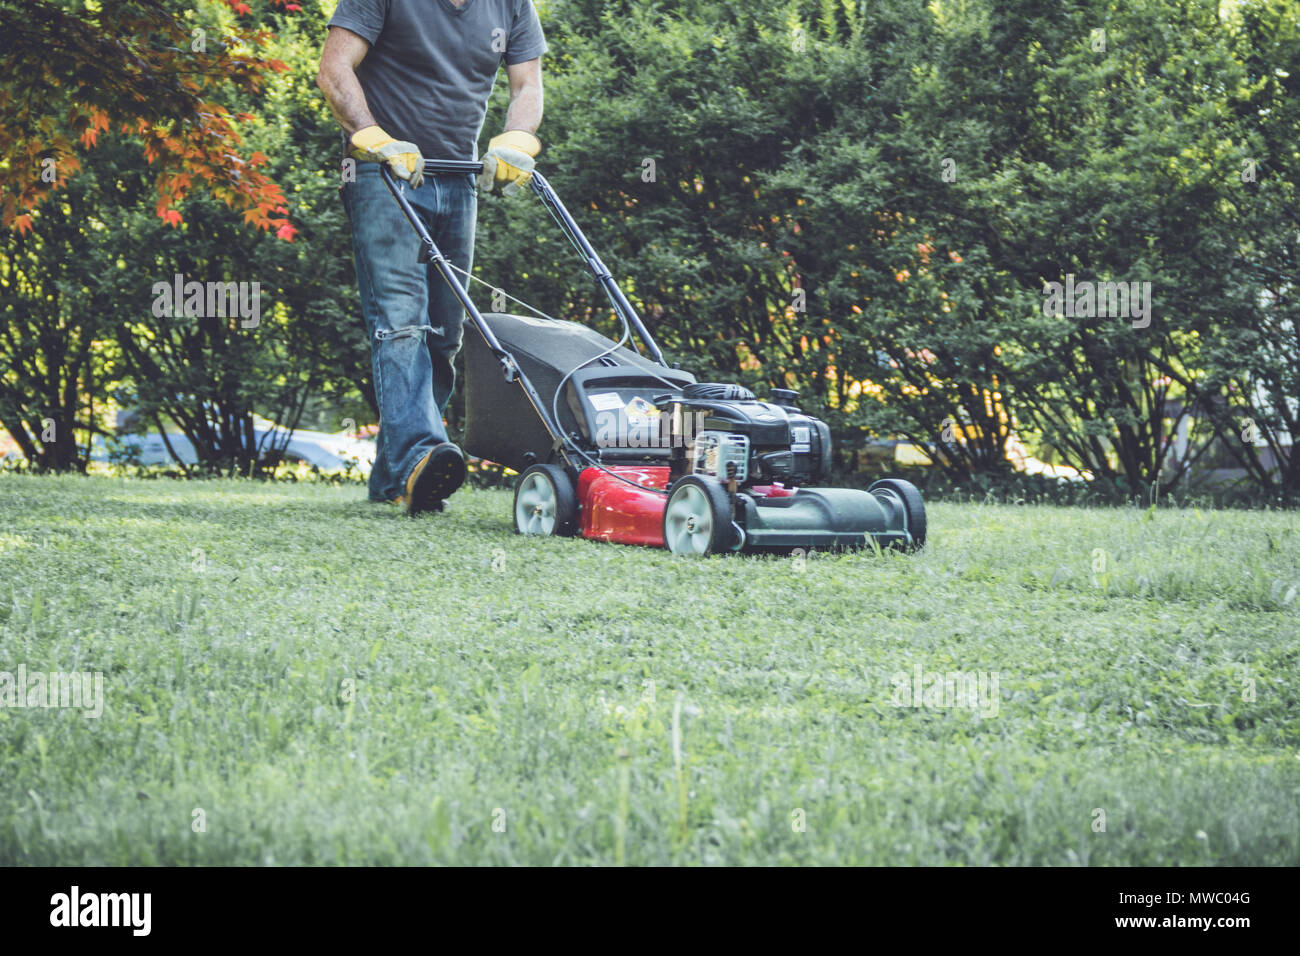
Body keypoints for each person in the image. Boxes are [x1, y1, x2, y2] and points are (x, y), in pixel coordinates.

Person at [317, 0, 546, 513]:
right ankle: (420, 452)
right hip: (384, 174)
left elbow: (527, 85)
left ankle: (396, 476)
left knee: (444, 333)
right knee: (400, 320)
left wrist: (517, 137)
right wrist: (371, 137)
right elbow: (333, 69)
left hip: (459, 178)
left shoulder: (511, 5)